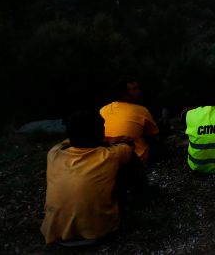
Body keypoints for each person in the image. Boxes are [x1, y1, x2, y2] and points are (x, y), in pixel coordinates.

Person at [41, 110, 135, 246]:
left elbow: (66, 142)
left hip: (58, 234)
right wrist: (110, 140)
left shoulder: (54, 153)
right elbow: (130, 146)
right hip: (100, 231)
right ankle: (141, 196)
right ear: (100, 133)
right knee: (126, 163)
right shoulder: (111, 155)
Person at [99, 79, 160, 165]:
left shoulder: (103, 110)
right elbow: (154, 133)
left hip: (106, 158)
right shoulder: (142, 111)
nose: (139, 91)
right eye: (135, 89)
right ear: (123, 95)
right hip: (134, 159)